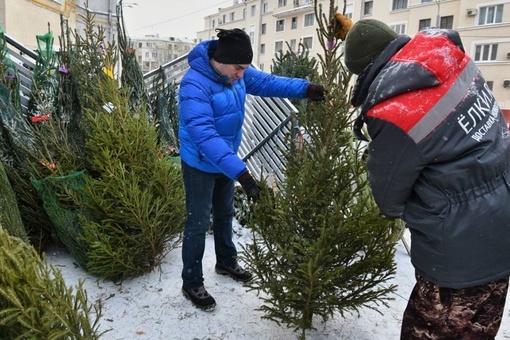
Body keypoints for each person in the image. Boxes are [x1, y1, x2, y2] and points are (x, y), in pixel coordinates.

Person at [342, 18, 510, 338]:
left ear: (365, 71)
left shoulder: (396, 110)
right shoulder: (451, 62)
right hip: (501, 226)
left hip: (457, 251)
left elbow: (388, 198)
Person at [178, 28, 325, 311]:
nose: (243, 74)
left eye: (246, 68)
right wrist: (243, 174)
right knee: (197, 222)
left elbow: (270, 83)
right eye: (239, 68)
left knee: (225, 212)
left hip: (226, 159)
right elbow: (205, 135)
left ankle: (226, 262)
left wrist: (305, 89)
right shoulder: (193, 85)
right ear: (220, 60)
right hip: (199, 161)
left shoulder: (236, 74)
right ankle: (191, 281)